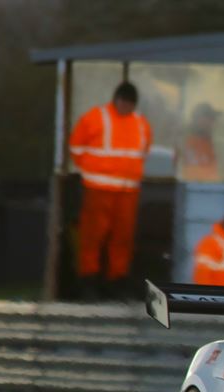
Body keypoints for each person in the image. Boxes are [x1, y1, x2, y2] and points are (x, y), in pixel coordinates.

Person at [68, 81, 152, 299]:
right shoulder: (95, 118)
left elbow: (142, 152)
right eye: (125, 103)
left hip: (127, 192)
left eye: (130, 104)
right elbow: (75, 147)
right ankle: (89, 280)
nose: (127, 108)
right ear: (117, 100)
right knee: (92, 237)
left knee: (122, 238)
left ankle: (117, 280)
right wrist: (92, 171)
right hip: (98, 189)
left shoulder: (140, 123)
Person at [177, 103, 222, 182]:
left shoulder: (208, 143)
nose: (213, 123)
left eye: (213, 119)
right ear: (199, 120)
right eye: (210, 118)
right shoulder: (190, 143)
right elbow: (197, 176)